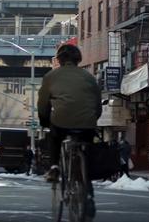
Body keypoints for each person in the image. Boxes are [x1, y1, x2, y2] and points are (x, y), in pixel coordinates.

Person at [37, 44, 103, 184]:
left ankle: (54, 168)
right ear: (78, 59)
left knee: (55, 137)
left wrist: (44, 121)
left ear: (59, 60)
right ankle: (86, 172)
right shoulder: (89, 77)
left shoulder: (51, 76)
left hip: (62, 120)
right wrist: (92, 119)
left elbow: (43, 104)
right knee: (87, 144)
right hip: (87, 122)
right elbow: (98, 104)